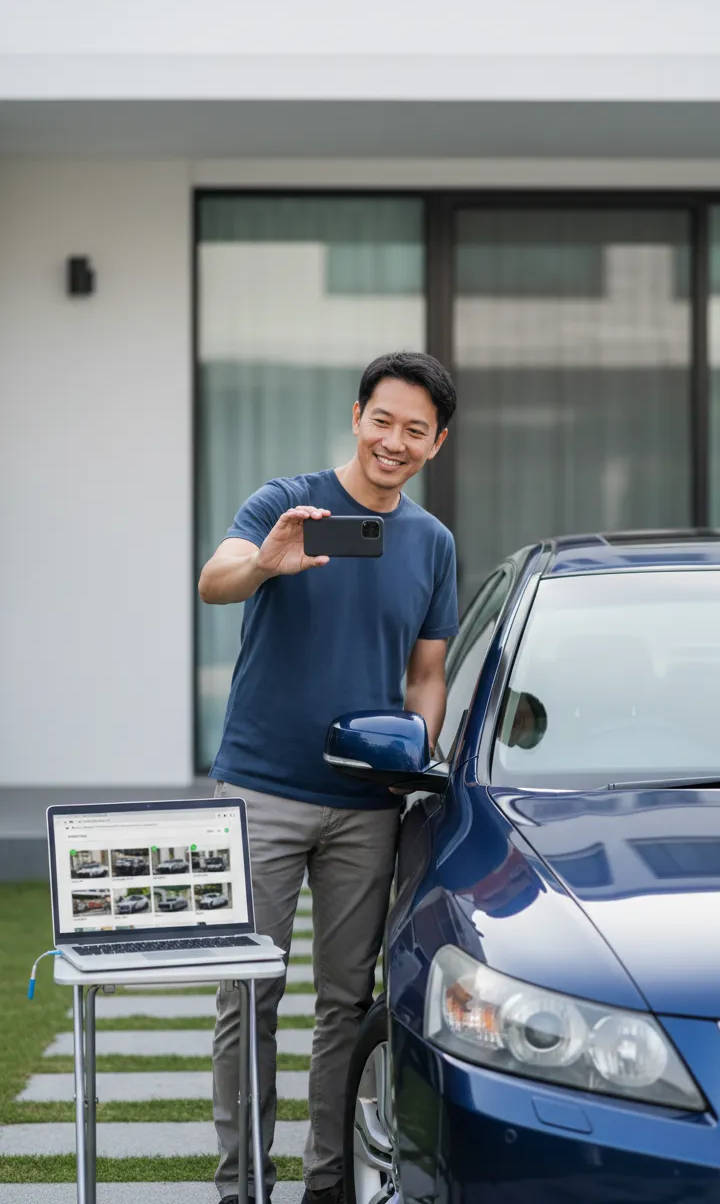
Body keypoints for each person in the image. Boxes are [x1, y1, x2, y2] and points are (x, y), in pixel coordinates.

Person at [198, 351, 459, 1204]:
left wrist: (415, 746)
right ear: (357, 417)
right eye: (382, 420)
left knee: (346, 1005)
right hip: (260, 791)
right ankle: (242, 1186)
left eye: (414, 429)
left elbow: (427, 673)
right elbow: (214, 582)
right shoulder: (286, 503)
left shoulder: (431, 543)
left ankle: (328, 1182)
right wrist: (269, 562)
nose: (394, 440)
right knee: (247, 997)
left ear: (436, 443)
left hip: (364, 804)